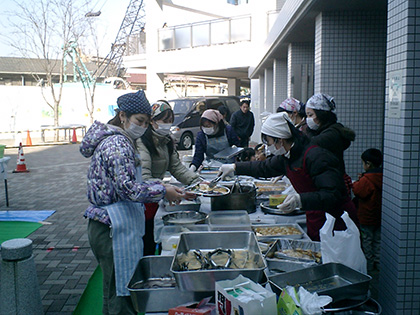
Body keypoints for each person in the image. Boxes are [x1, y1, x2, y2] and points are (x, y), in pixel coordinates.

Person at [80, 90, 194, 315]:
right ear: (122, 116)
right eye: (139, 121)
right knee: (121, 294)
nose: (142, 126)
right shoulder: (118, 144)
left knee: (113, 291)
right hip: (111, 227)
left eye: (145, 121)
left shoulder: (122, 139)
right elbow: (128, 189)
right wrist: (163, 190)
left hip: (111, 224)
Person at [218, 112, 359, 241]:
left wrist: (300, 199)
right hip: (316, 216)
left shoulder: (315, 156)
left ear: (280, 140)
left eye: (269, 141)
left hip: (338, 221)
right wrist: (235, 167)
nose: (268, 147)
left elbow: (333, 194)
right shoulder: (287, 156)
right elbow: (264, 167)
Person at [136, 100, 200, 255]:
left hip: (156, 196)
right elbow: (144, 177)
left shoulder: (166, 141)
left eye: (170, 121)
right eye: (164, 121)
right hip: (142, 200)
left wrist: (197, 182)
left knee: (152, 237)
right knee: (145, 242)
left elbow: (176, 167)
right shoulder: (142, 141)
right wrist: (165, 188)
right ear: (152, 121)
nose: (168, 124)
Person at [305, 93, 355, 192]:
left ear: (321, 114)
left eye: (310, 115)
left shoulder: (332, 134)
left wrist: (308, 130)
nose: (308, 119)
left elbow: (310, 144)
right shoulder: (325, 131)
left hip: (333, 184)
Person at [352, 148, 383, 272]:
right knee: (378, 241)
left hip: (366, 217)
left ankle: (368, 267)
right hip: (379, 216)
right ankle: (379, 264)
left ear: (368, 164)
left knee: (367, 242)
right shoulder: (384, 176)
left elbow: (358, 191)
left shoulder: (367, 179)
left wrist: (357, 182)